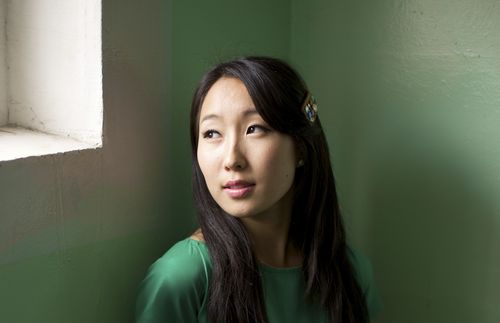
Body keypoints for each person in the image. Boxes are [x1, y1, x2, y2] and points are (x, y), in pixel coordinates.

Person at [136, 56, 382, 323]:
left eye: (254, 129)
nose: (232, 159)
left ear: (300, 147)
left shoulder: (352, 273)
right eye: (211, 133)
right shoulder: (181, 278)